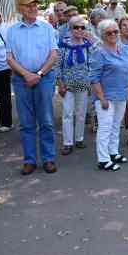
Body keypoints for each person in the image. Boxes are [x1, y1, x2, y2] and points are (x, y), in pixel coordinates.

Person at [6, 0, 59, 175]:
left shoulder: (47, 28)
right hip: (21, 80)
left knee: (46, 120)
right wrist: (26, 75)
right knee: (26, 122)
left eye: (35, 5)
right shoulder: (12, 31)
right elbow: (9, 58)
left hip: (44, 78)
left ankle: (48, 158)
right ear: (20, 8)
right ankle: (29, 160)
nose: (33, 8)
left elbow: (53, 54)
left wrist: (39, 74)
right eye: (28, 6)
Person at [89, 19, 128, 170]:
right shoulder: (99, 53)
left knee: (116, 125)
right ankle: (103, 159)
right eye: (109, 33)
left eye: (116, 31)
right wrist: (102, 98)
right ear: (102, 35)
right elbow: (94, 78)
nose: (113, 34)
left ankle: (113, 152)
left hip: (121, 94)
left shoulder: (122, 50)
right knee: (105, 127)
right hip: (106, 97)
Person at [56, 15, 93, 155]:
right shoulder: (63, 44)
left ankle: (79, 139)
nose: (79, 30)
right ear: (70, 29)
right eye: (76, 27)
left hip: (83, 83)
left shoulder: (87, 45)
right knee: (67, 113)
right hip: (67, 84)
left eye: (82, 27)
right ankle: (67, 143)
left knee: (81, 113)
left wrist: (91, 82)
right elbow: (57, 65)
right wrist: (60, 83)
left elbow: (92, 64)